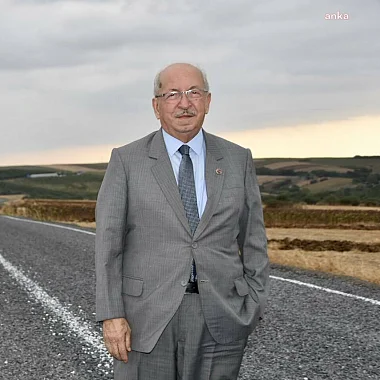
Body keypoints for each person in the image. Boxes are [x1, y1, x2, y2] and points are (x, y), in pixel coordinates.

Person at [95, 63, 269, 380]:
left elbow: (254, 239)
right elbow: (109, 245)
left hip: (221, 314)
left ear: (208, 101)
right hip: (145, 319)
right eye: (173, 94)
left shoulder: (237, 158)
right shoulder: (126, 160)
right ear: (156, 106)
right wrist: (112, 315)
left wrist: (252, 304)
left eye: (193, 93)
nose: (184, 103)